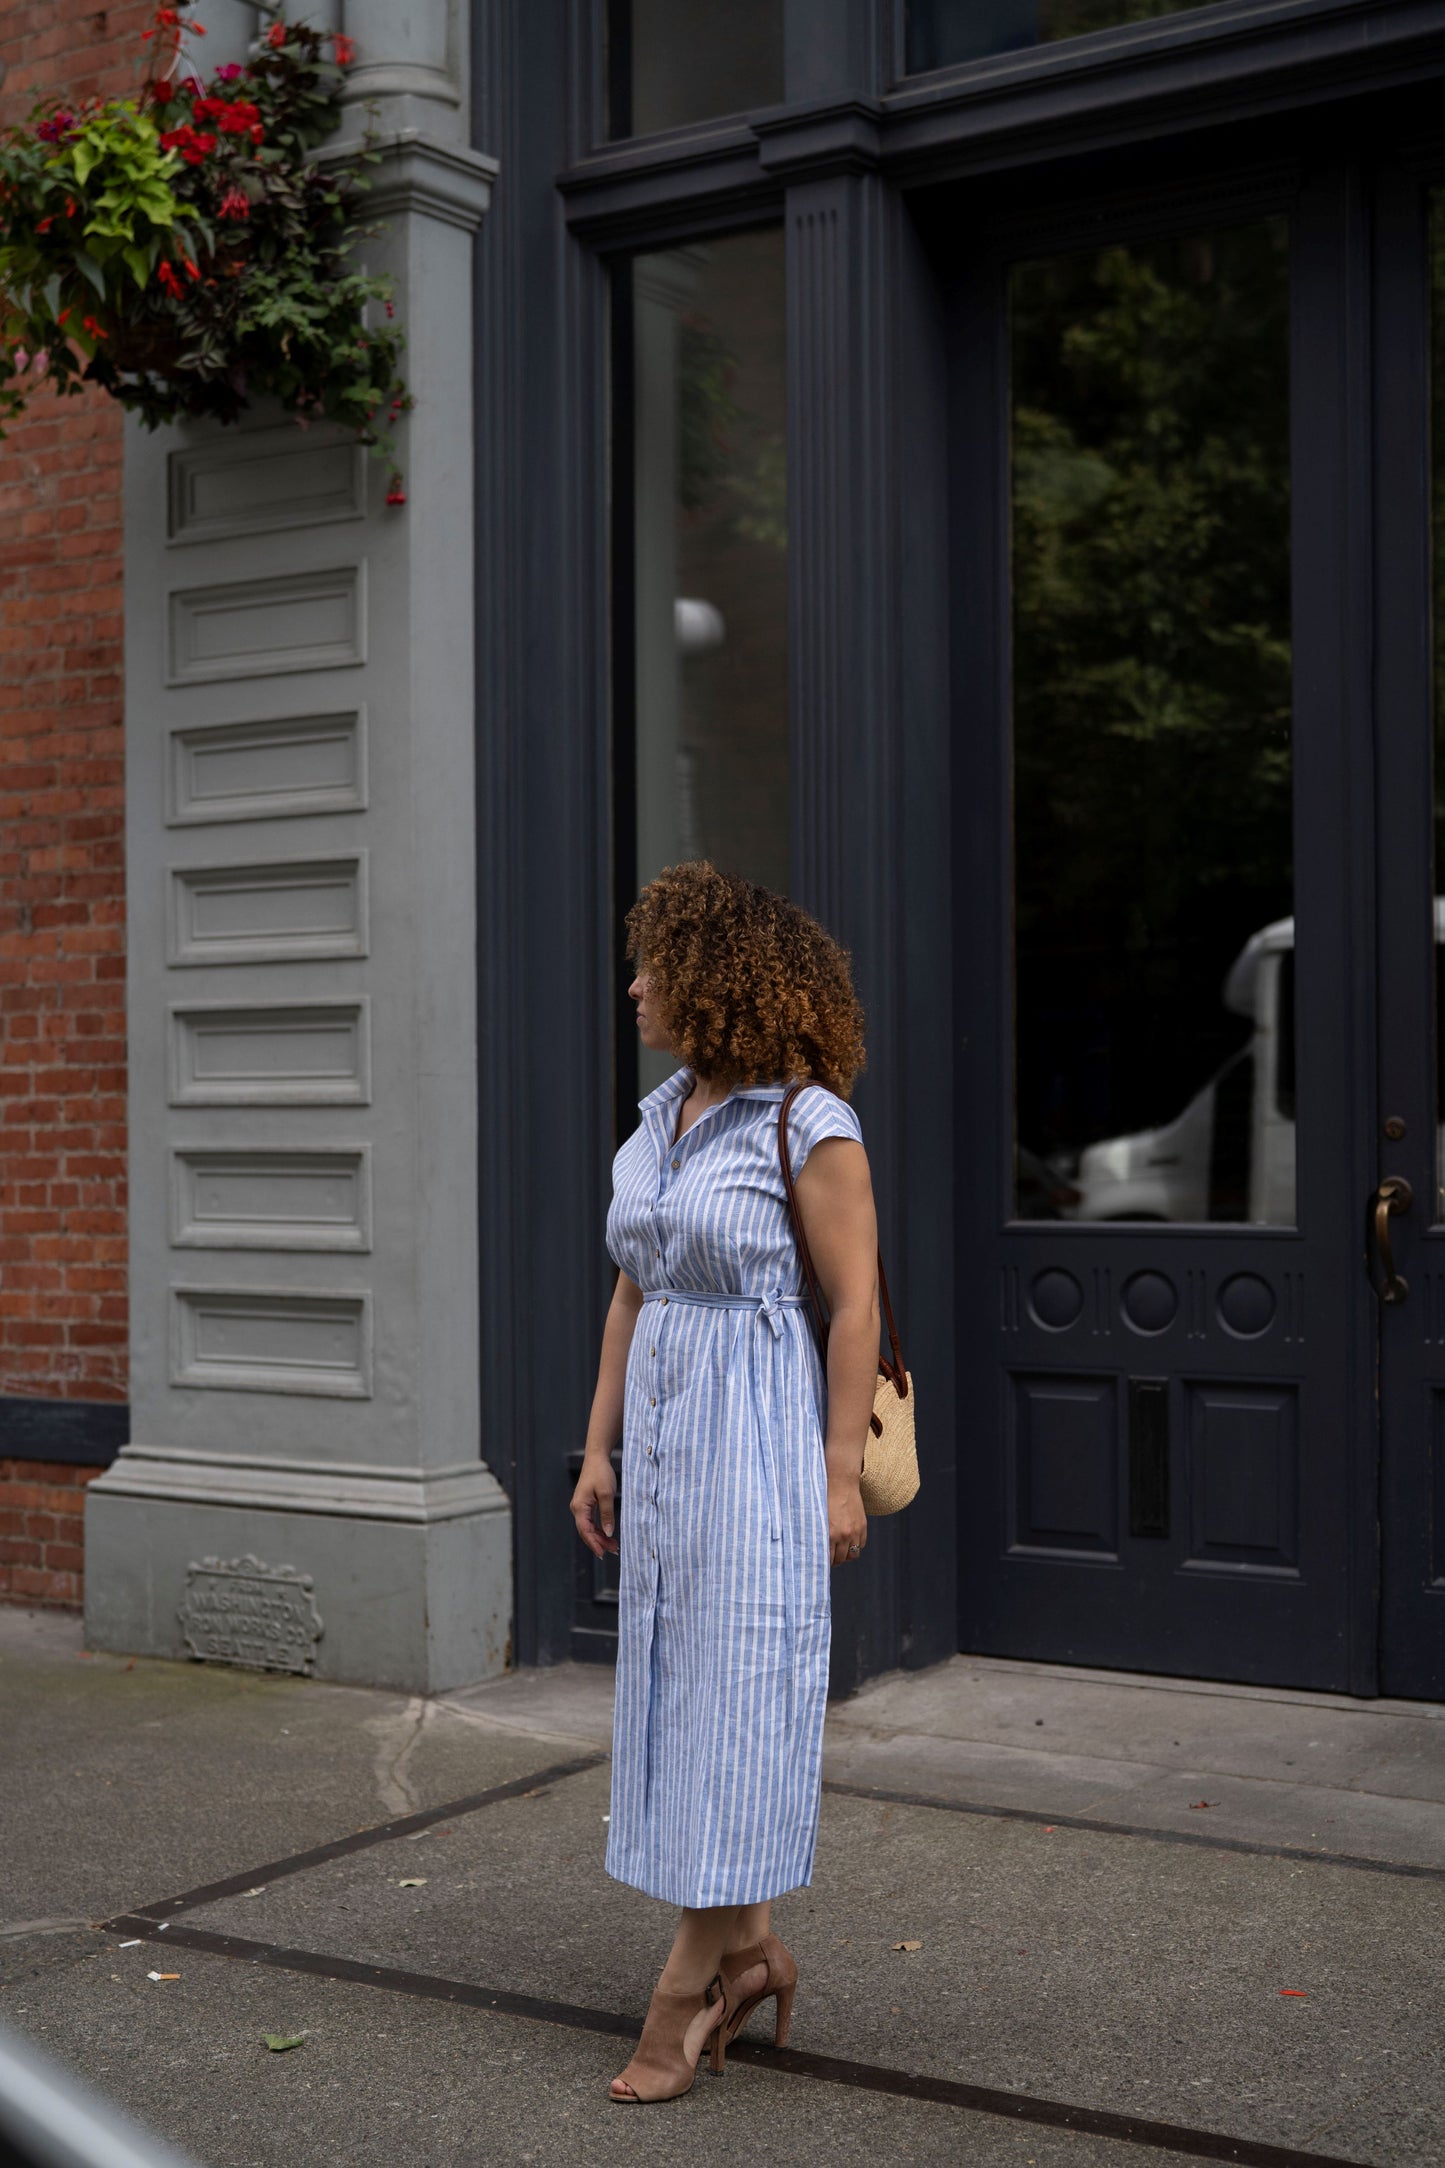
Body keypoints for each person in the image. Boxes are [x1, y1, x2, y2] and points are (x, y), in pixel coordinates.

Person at [569, 860, 882, 2105]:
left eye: (655, 962)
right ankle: (750, 1955)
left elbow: (854, 1303)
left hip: (756, 1436)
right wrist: (596, 1447)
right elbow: (630, 1287)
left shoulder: (808, 1121)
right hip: (662, 1435)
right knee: (685, 1695)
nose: (635, 981)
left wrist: (838, 1471)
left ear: (713, 979)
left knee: (741, 1697)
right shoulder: (661, 1117)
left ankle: (681, 1996)